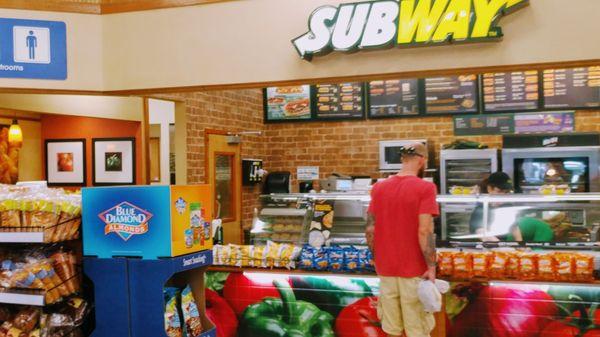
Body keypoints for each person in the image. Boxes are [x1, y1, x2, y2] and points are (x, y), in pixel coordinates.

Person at [366, 143, 439, 337]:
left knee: (391, 327)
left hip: (385, 268)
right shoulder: (426, 187)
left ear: (402, 159)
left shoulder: (378, 188)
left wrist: (375, 256)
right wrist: (431, 265)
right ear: (422, 160)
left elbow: (370, 228)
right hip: (413, 269)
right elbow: (425, 230)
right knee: (416, 329)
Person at [469, 171, 554, 242]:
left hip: (501, 250)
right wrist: (502, 247)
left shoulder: (507, 206)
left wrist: (520, 246)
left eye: (506, 192)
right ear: (489, 189)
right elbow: (482, 233)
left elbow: (514, 227)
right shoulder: (481, 209)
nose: (503, 195)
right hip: (481, 251)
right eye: (499, 191)